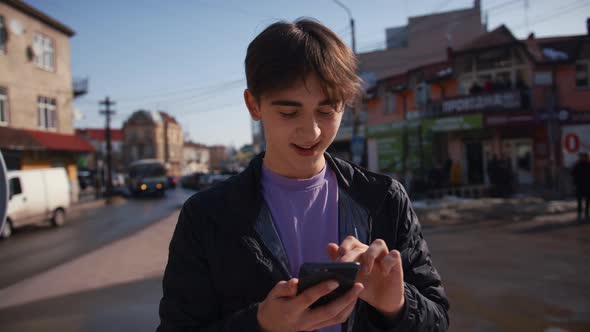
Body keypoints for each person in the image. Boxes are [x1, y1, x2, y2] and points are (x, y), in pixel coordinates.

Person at [157, 18, 449, 332]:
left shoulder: (384, 199)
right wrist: (260, 325)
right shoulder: (207, 216)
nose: (311, 131)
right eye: (288, 112)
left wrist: (397, 304)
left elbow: (437, 320)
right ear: (253, 105)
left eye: (327, 110)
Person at [572, 152, 590, 221]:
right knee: (579, 201)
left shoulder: (588, 165)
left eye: (583, 157)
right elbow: (573, 173)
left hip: (588, 185)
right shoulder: (577, 165)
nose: (581, 158)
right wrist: (574, 183)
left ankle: (586, 214)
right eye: (580, 157)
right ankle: (579, 213)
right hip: (579, 185)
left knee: (587, 201)